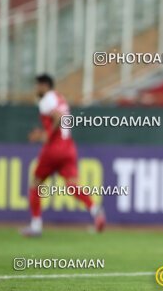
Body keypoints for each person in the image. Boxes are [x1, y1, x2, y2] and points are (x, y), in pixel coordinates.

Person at [22, 74, 106, 237]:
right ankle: (96, 210)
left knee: (36, 184)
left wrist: (46, 136)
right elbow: (61, 119)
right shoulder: (59, 98)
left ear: (45, 85)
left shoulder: (46, 99)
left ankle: (36, 225)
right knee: (72, 186)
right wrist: (43, 133)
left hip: (54, 149)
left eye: (38, 85)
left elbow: (58, 118)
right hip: (68, 147)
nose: (36, 89)